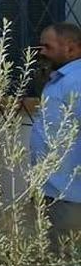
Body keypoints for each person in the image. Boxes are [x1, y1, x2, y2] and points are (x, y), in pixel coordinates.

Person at [34, 22, 81, 240]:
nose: (41, 52)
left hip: (71, 195)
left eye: (47, 47)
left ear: (71, 48)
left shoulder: (76, 81)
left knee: (66, 257)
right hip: (52, 189)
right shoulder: (59, 80)